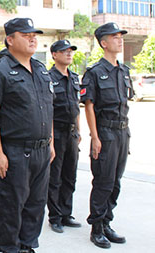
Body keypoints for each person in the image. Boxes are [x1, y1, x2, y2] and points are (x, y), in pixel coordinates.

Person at [0, 18, 55, 253]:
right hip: (15, 152)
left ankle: (28, 246)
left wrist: (50, 141)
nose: (33, 38)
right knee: (12, 206)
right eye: (26, 35)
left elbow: (48, 107)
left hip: (42, 150)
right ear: (10, 40)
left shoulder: (41, 69)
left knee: (36, 205)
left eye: (34, 34)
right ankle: (10, 248)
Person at [80, 22, 132, 249]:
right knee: (103, 181)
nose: (119, 40)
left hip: (122, 133)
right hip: (106, 132)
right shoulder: (95, 72)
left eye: (121, 36)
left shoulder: (124, 71)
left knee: (116, 182)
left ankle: (107, 222)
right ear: (103, 43)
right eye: (114, 37)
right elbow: (89, 106)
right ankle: (97, 227)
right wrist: (95, 137)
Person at [47, 39, 82, 233]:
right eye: (64, 51)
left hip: (71, 133)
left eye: (70, 51)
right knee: (55, 176)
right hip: (57, 132)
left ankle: (66, 213)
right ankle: (55, 216)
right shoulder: (48, 78)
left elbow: (76, 107)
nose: (69, 54)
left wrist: (79, 130)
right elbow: (48, 111)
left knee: (70, 175)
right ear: (54, 54)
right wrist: (50, 139)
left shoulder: (75, 77)